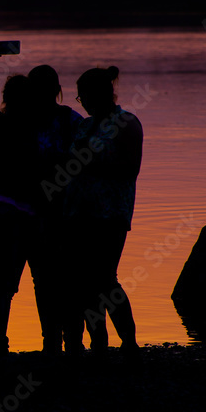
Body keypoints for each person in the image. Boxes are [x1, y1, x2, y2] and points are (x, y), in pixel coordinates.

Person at [64, 65, 142, 354]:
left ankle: (129, 342)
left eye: (82, 96)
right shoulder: (84, 125)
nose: (80, 102)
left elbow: (131, 168)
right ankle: (99, 341)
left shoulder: (127, 123)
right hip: (77, 214)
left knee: (106, 278)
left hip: (111, 214)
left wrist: (91, 164)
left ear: (95, 94)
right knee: (85, 282)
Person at [0, 40, 40, 363]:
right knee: (6, 285)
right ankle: (0, 347)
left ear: (6, 100)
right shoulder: (36, 133)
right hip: (14, 218)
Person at [25, 65, 84, 355]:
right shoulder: (70, 120)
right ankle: (59, 340)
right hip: (45, 212)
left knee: (53, 278)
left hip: (61, 212)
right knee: (55, 277)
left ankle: (63, 340)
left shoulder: (69, 121)